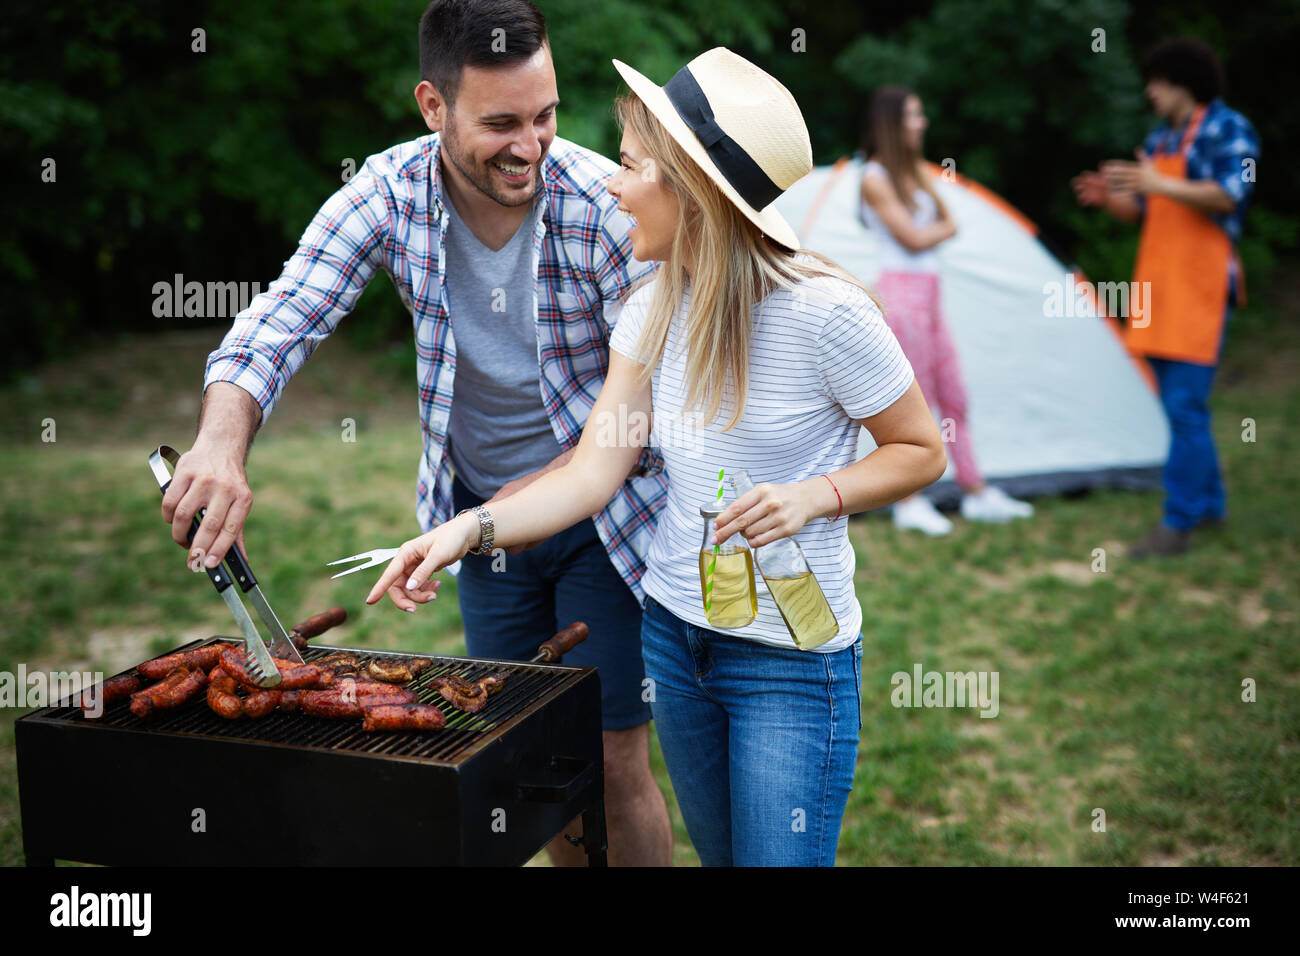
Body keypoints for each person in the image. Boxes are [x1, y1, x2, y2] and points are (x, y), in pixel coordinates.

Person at [364, 48, 948, 866]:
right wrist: (469, 531)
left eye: (634, 165)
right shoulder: (650, 313)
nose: (610, 183)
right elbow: (591, 474)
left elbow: (922, 451)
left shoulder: (829, 316)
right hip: (676, 640)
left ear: (693, 191)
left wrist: (816, 494)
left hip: (790, 665)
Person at [160, 0, 674, 866]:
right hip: (477, 523)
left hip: (606, 517)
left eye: (545, 115)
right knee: (527, 750)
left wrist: (556, 477)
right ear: (432, 107)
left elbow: (649, 396)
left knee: (612, 755)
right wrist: (218, 443)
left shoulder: (606, 208)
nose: (531, 145)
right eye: (500, 122)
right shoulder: (387, 193)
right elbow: (282, 318)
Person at [1073, 38, 1258, 559]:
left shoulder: (1230, 128)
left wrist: (1157, 182)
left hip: (1200, 287)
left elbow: (1230, 194)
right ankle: (1211, 505)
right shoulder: (1161, 139)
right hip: (1159, 286)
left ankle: (1177, 523)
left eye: (1156, 81)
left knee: (1184, 407)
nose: (1149, 91)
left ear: (1181, 82)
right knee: (1182, 408)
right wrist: (1112, 201)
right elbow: (1150, 213)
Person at [859, 86, 1034, 536]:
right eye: (914, 116)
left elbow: (943, 222)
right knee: (915, 400)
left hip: (931, 294)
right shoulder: (874, 178)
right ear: (892, 124)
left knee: (954, 392)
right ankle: (909, 501)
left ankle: (975, 490)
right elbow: (916, 238)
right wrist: (941, 227)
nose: (922, 123)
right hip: (902, 297)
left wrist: (934, 213)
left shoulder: (912, 173)